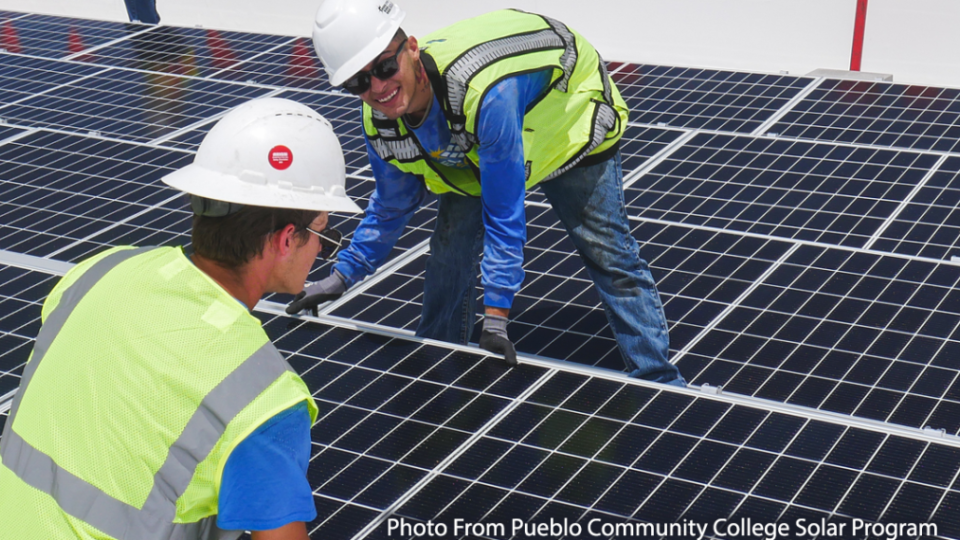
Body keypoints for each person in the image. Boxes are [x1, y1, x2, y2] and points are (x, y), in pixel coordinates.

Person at [0, 98, 362, 539]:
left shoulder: (98, 271)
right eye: (324, 234)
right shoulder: (260, 399)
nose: (323, 250)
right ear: (287, 239)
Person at [295, 0, 684, 386]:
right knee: (449, 249)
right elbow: (390, 205)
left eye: (383, 67)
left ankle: (659, 378)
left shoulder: (484, 95)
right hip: (479, 140)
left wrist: (496, 316)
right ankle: (438, 359)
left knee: (607, 251)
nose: (377, 88)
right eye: (358, 82)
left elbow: (504, 212)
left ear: (412, 48)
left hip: (567, 123)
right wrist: (342, 277)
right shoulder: (380, 119)